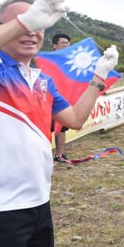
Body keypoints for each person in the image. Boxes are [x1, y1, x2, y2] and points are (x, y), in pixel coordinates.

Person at [0, 0, 118, 247]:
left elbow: (75, 119)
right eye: (22, 23)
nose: (31, 32)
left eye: (38, 26)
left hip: (38, 203)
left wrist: (100, 75)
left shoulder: (43, 80)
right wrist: (25, 20)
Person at [51, 33, 72, 162]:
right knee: (47, 128)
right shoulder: (47, 60)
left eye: (68, 43)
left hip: (63, 99)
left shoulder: (71, 60)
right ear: (54, 45)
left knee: (62, 128)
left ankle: (59, 154)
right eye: (63, 43)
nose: (66, 45)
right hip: (48, 98)